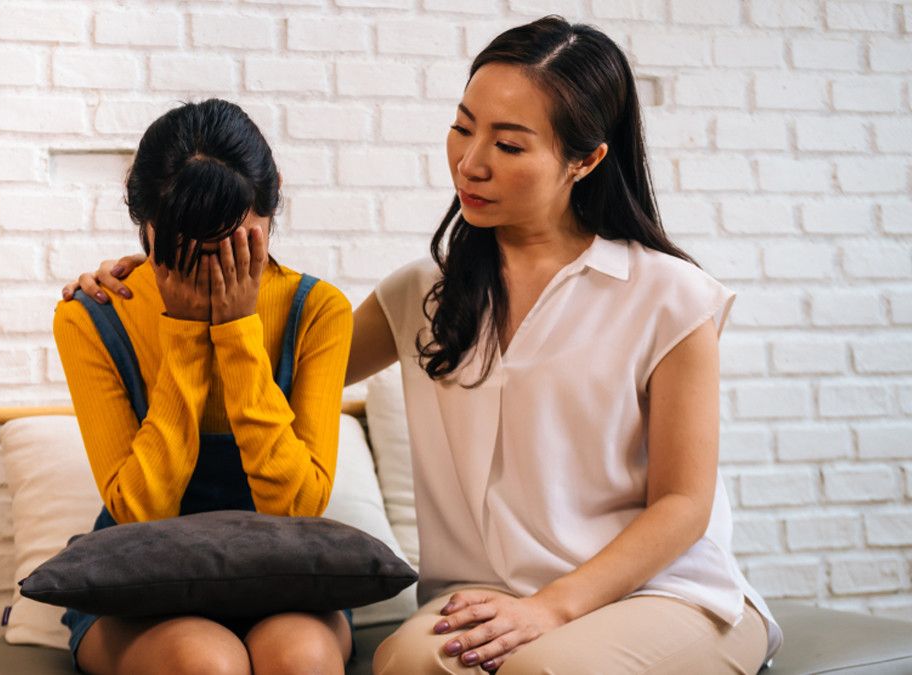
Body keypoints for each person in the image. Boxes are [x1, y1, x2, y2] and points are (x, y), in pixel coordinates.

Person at [62, 16, 783, 675]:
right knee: (404, 663)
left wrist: (552, 607)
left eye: (508, 144)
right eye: (462, 128)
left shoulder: (670, 296)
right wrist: (162, 267)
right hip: (487, 597)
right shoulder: (422, 294)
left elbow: (684, 503)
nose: (470, 163)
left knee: (538, 671)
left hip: (660, 592)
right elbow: (273, 367)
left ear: (585, 160)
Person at [52, 98, 354, 675]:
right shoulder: (91, 316)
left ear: (271, 202)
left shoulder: (318, 311)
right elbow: (140, 512)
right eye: (189, 251)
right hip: (143, 583)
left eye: (237, 244)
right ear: (147, 226)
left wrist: (237, 333)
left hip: (283, 576)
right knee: (204, 663)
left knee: (302, 658)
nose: (215, 270)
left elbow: (298, 508)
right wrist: (187, 333)